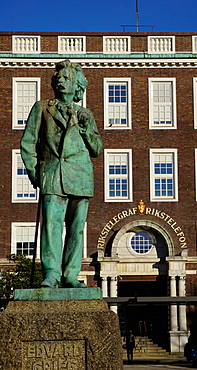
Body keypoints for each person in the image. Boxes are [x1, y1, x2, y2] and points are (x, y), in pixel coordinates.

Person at [20, 60, 103, 288]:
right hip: (52, 174)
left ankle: (70, 275)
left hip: (80, 177)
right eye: (58, 78)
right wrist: (35, 172)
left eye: (66, 78)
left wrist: (86, 129)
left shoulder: (85, 114)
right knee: (51, 227)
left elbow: (96, 149)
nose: (60, 81)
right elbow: (28, 144)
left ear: (77, 85)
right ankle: (51, 274)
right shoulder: (41, 108)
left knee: (76, 229)